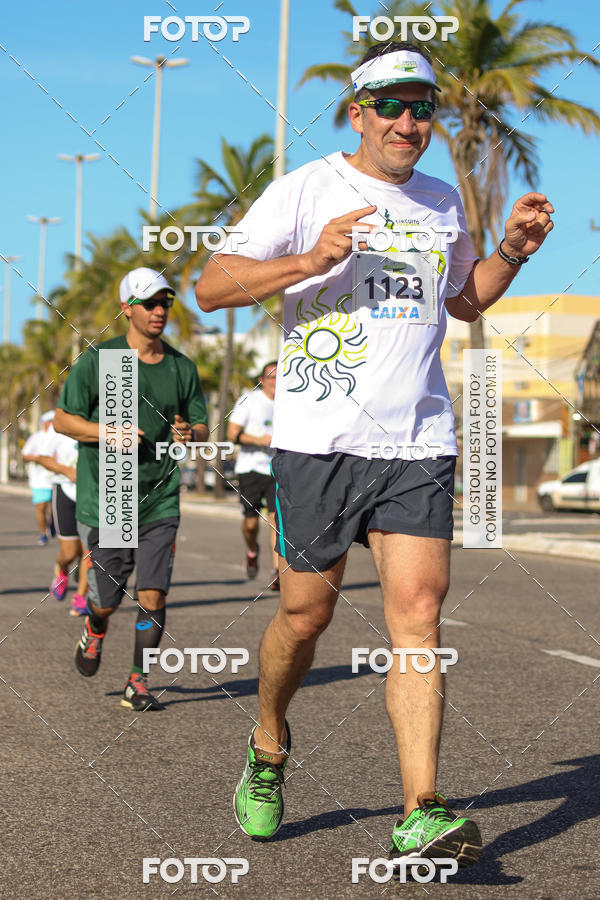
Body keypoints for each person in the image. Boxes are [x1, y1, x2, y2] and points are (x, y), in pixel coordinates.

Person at [195, 42, 554, 865]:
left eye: (422, 107)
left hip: (417, 440)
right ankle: (268, 741)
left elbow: (463, 302)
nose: (406, 121)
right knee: (305, 616)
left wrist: (512, 250)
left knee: (420, 614)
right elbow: (211, 287)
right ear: (357, 113)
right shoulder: (307, 188)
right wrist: (308, 260)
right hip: (319, 443)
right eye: (389, 105)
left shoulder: (440, 199)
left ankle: (420, 809)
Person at [54, 267, 209, 711]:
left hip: (160, 496)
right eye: (150, 303)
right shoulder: (101, 360)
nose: (160, 310)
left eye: (166, 302)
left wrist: (190, 434)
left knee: (153, 594)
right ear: (127, 308)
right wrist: (108, 432)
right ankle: (95, 627)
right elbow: (63, 420)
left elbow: (200, 425)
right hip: (112, 495)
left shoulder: (181, 366)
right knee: (106, 601)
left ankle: (137, 681)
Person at [228, 361, 279, 590]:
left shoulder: (290, 402)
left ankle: (277, 572)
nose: (276, 381)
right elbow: (233, 434)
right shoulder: (249, 400)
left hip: (277, 469)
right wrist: (259, 440)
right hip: (250, 468)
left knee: (276, 519)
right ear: (262, 380)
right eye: (272, 377)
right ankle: (251, 549)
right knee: (250, 523)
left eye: (280, 377)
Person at [34, 423, 89, 615]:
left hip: (93, 493)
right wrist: (67, 471)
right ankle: (62, 567)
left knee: (89, 550)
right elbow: (42, 457)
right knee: (70, 552)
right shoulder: (59, 424)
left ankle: (80, 597)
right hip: (65, 489)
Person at [22, 411, 56, 544]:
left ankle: (53, 524)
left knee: (54, 508)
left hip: (57, 478)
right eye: (50, 421)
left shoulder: (60, 437)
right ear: (44, 423)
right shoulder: (36, 437)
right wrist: (39, 459)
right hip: (39, 480)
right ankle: (43, 533)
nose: (52, 424)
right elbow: (24, 455)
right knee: (41, 507)